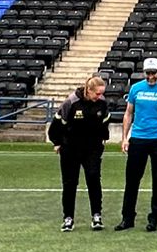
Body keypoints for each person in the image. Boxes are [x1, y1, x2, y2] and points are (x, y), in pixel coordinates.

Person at [117, 55, 157, 232]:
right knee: (132, 180)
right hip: (138, 138)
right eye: (148, 73)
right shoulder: (136, 89)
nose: (151, 77)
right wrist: (125, 137)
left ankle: (154, 218)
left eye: (153, 73)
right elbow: (128, 113)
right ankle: (127, 218)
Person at [47, 74, 111, 231]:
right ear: (89, 90)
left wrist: (103, 139)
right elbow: (56, 124)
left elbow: (105, 123)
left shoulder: (102, 104)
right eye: (97, 93)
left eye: (101, 93)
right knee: (70, 183)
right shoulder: (71, 102)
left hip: (92, 149)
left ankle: (97, 216)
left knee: (93, 179)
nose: (99, 96)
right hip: (70, 149)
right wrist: (57, 142)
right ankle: (68, 218)